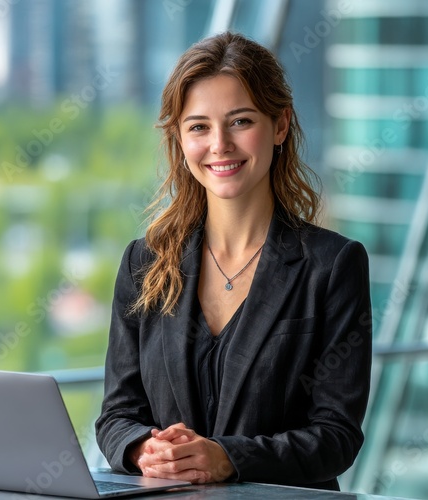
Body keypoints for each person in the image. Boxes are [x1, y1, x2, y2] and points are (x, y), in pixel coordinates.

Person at [95, 31, 372, 491]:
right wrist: (145, 448)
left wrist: (227, 458)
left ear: (280, 125)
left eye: (240, 121)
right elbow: (116, 416)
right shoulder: (144, 262)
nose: (219, 144)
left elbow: (336, 436)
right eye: (199, 126)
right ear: (181, 141)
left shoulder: (333, 265)